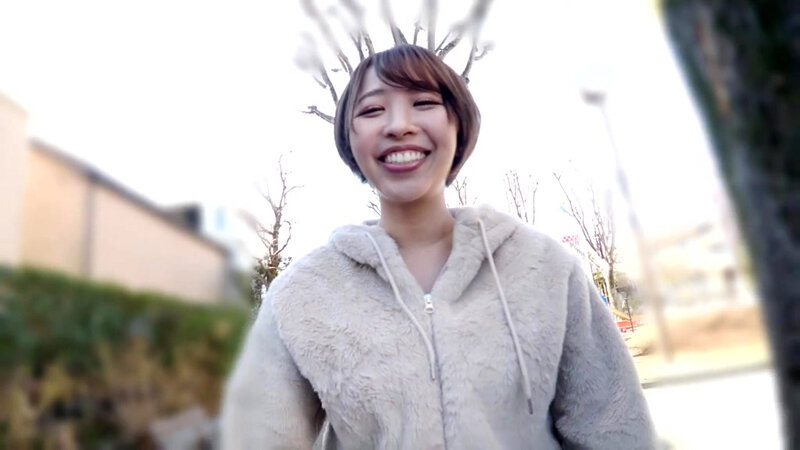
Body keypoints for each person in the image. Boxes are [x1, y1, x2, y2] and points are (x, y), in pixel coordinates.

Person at [221, 45, 655, 449]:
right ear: (349, 138)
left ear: (457, 124)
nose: (399, 125)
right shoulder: (302, 296)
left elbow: (615, 429)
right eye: (372, 110)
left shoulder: (547, 270)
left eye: (424, 103)